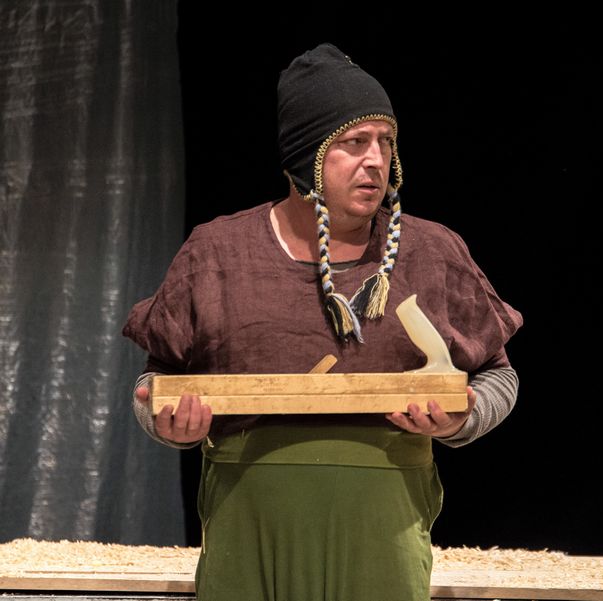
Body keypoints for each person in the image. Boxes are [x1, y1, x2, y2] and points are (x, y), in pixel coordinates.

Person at [123, 43, 522, 601]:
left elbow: (499, 376)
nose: (376, 159)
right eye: (354, 142)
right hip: (249, 538)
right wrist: (165, 423)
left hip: (381, 542)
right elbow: (155, 379)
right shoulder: (218, 254)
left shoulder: (431, 253)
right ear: (304, 157)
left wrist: (462, 419)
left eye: (386, 141)